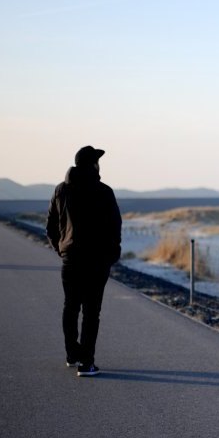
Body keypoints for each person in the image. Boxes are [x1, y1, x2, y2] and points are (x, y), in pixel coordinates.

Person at [46, 145, 122, 377]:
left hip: (71, 259)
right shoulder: (104, 191)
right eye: (97, 161)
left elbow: (50, 226)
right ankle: (86, 363)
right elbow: (115, 227)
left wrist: (62, 250)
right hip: (97, 261)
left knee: (71, 307)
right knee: (91, 312)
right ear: (93, 165)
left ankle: (72, 354)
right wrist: (112, 255)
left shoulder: (61, 190)